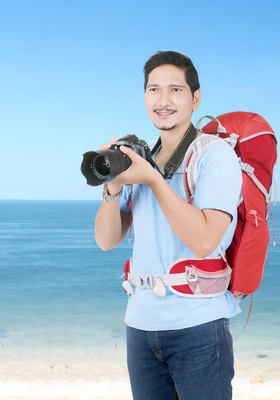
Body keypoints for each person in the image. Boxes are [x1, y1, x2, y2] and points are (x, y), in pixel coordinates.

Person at [93, 50, 243, 400]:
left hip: (199, 326)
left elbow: (205, 240)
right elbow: (106, 240)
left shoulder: (214, 155)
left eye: (175, 90)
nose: (163, 101)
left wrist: (155, 181)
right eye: (153, 90)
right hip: (140, 327)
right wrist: (113, 185)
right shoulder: (140, 161)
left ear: (195, 98)